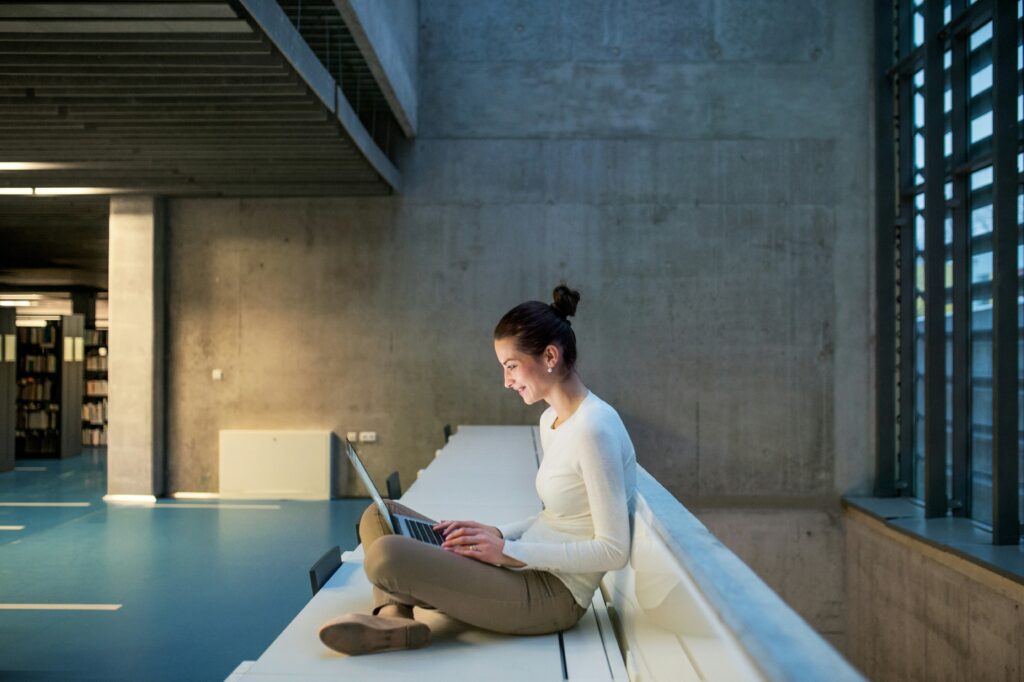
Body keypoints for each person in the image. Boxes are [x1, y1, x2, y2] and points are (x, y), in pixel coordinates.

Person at [318, 284, 638, 656]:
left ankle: (393, 609)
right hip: (522, 565)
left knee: (386, 555)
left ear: (550, 355)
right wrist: (496, 533)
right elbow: (556, 517)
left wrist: (509, 551)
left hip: (553, 597)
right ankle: (396, 616)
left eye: (511, 366)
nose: (506, 381)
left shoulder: (593, 429)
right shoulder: (552, 419)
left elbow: (614, 550)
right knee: (380, 514)